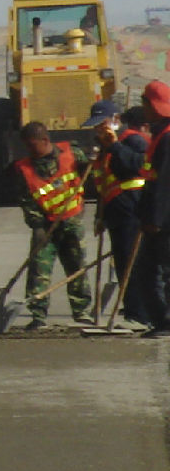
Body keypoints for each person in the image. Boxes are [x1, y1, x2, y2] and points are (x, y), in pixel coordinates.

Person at [10, 121, 94, 329]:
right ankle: (38, 314)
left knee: (76, 266)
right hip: (45, 226)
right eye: (26, 146)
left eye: (32, 145)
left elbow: (91, 169)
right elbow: (27, 201)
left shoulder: (71, 153)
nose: (29, 150)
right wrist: (37, 226)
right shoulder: (25, 169)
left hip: (72, 222)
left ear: (45, 140)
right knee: (39, 269)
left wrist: (94, 160)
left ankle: (81, 311)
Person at [84, 100, 151, 329]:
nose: (99, 129)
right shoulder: (104, 147)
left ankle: (140, 313)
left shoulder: (132, 140)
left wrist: (115, 147)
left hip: (133, 208)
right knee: (123, 262)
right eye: (96, 126)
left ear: (116, 120)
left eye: (102, 124)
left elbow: (139, 166)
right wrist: (99, 216)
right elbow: (104, 184)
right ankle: (132, 309)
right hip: (115, 212)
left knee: (134, 262)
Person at [130, 79, 170, 335]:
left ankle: (166, 322)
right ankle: (161, 321)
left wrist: (155, 218)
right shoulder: (160, 134)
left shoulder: (167, 138)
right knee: (146, 271)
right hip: (158, 218)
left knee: (164, 271)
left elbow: (165, 183)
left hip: (164, 220)